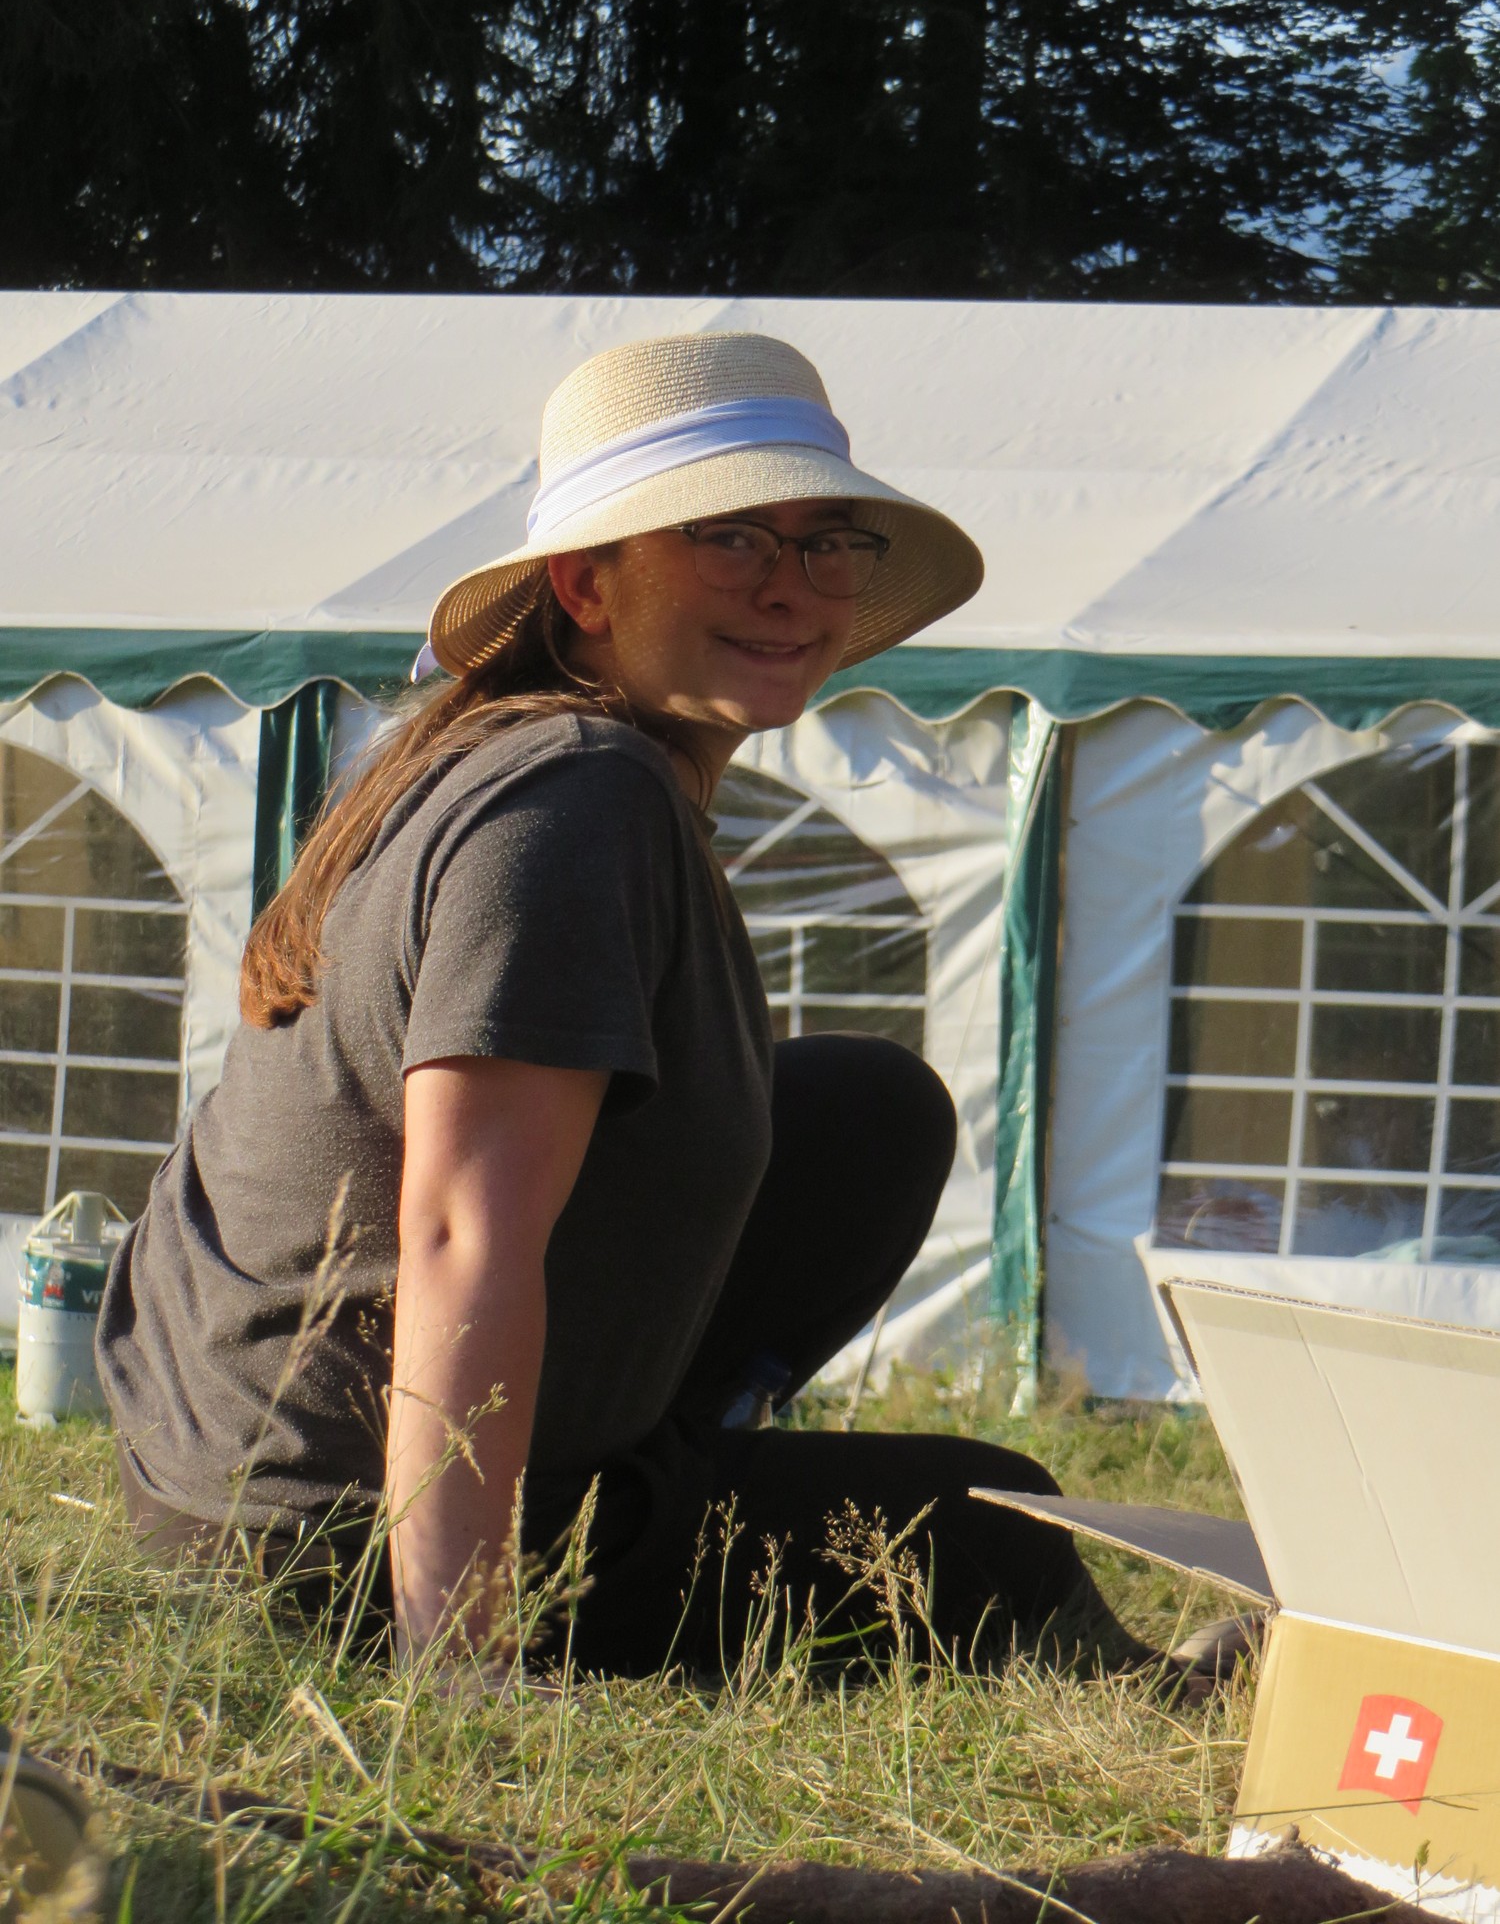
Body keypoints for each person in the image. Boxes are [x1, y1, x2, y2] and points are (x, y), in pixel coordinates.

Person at [95, 331, 1216, 1689]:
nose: (790, 587)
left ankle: (652, 1473)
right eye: (731, 539)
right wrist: (458, 1654)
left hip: (211, 1474)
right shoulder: (579, 797)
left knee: (865, 1113)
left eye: (827, 545)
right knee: (998, 1527)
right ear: (587, 584)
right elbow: (457, 1226)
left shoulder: (513, 755)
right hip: (330, 1531)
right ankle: (1125, 1673)